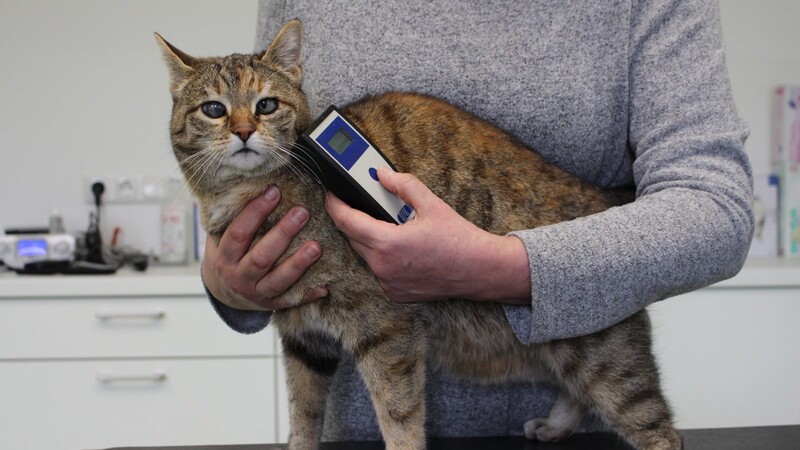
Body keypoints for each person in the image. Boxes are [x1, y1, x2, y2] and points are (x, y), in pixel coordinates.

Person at [201, 0, 753, 440]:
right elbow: (268, 141)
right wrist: (230, 286)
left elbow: (715, 207)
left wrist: (503, 268)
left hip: (588, 401)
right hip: (366, 428)